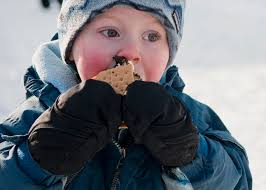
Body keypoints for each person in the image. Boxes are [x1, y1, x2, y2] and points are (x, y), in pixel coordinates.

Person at [0, 0, 252, 189]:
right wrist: (36, 159)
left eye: (151, 36)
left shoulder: (186, 116)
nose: (131, 52)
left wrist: (190, 153)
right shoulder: (37, 116)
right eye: (111, 32)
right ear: (71, 44)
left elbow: (237, 180)